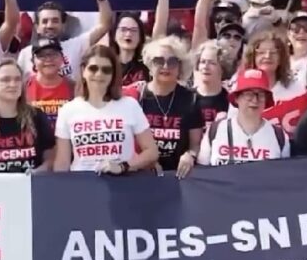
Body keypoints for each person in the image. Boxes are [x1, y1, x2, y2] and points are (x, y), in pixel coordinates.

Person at [54, 45, 159, 173]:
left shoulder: (130, 105)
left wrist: (123, 166)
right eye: (93, 68)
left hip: (122, 184)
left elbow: (152, 152)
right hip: (82, 185)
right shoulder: (68, 110)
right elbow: (62, 162)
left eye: (106, 70)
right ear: (83, 71)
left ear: (113, 74)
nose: (99, 74)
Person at [127, 36, 203, 177]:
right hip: (140, 175)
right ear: (149, 65)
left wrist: (190, 155)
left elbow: (195, 145)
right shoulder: (136, 96)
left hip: (178, 176)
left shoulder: (191, 99)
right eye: (159, 61)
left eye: (172, 62)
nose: (166, 66)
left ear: (180, 66)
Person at [17, 0, 112, 78]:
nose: (50, 25)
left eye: (55, 21)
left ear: (63, 25)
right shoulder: (25, 54)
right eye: (45, 21)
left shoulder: (75, 46)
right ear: (37, 27)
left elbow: (105, 25)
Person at [199, 68, 290, 166]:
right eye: (249, 94)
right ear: (237, 98)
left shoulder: (279, 136)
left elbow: (283, 177)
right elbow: (201, 171)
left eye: (260, 95)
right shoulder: (216, 130)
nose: (255, 100)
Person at [231, 31, 305, 102]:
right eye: (261, 52)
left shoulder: (296, 89)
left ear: (281, 58)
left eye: (273, 52)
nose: (267, 56)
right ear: (252, 57)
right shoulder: (239, 87)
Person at [26, 37, 74, 130]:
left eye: (53, 54)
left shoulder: (74, 87)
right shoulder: (23, 87)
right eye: (42, 55)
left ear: (62, 58)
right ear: (33, 61)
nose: (48, 59)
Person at [191, 41, 229, 131]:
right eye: (203, 62)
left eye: (212, 63)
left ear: (222, 68)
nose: (206, 67)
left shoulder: (230, 101)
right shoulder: (186, 97)